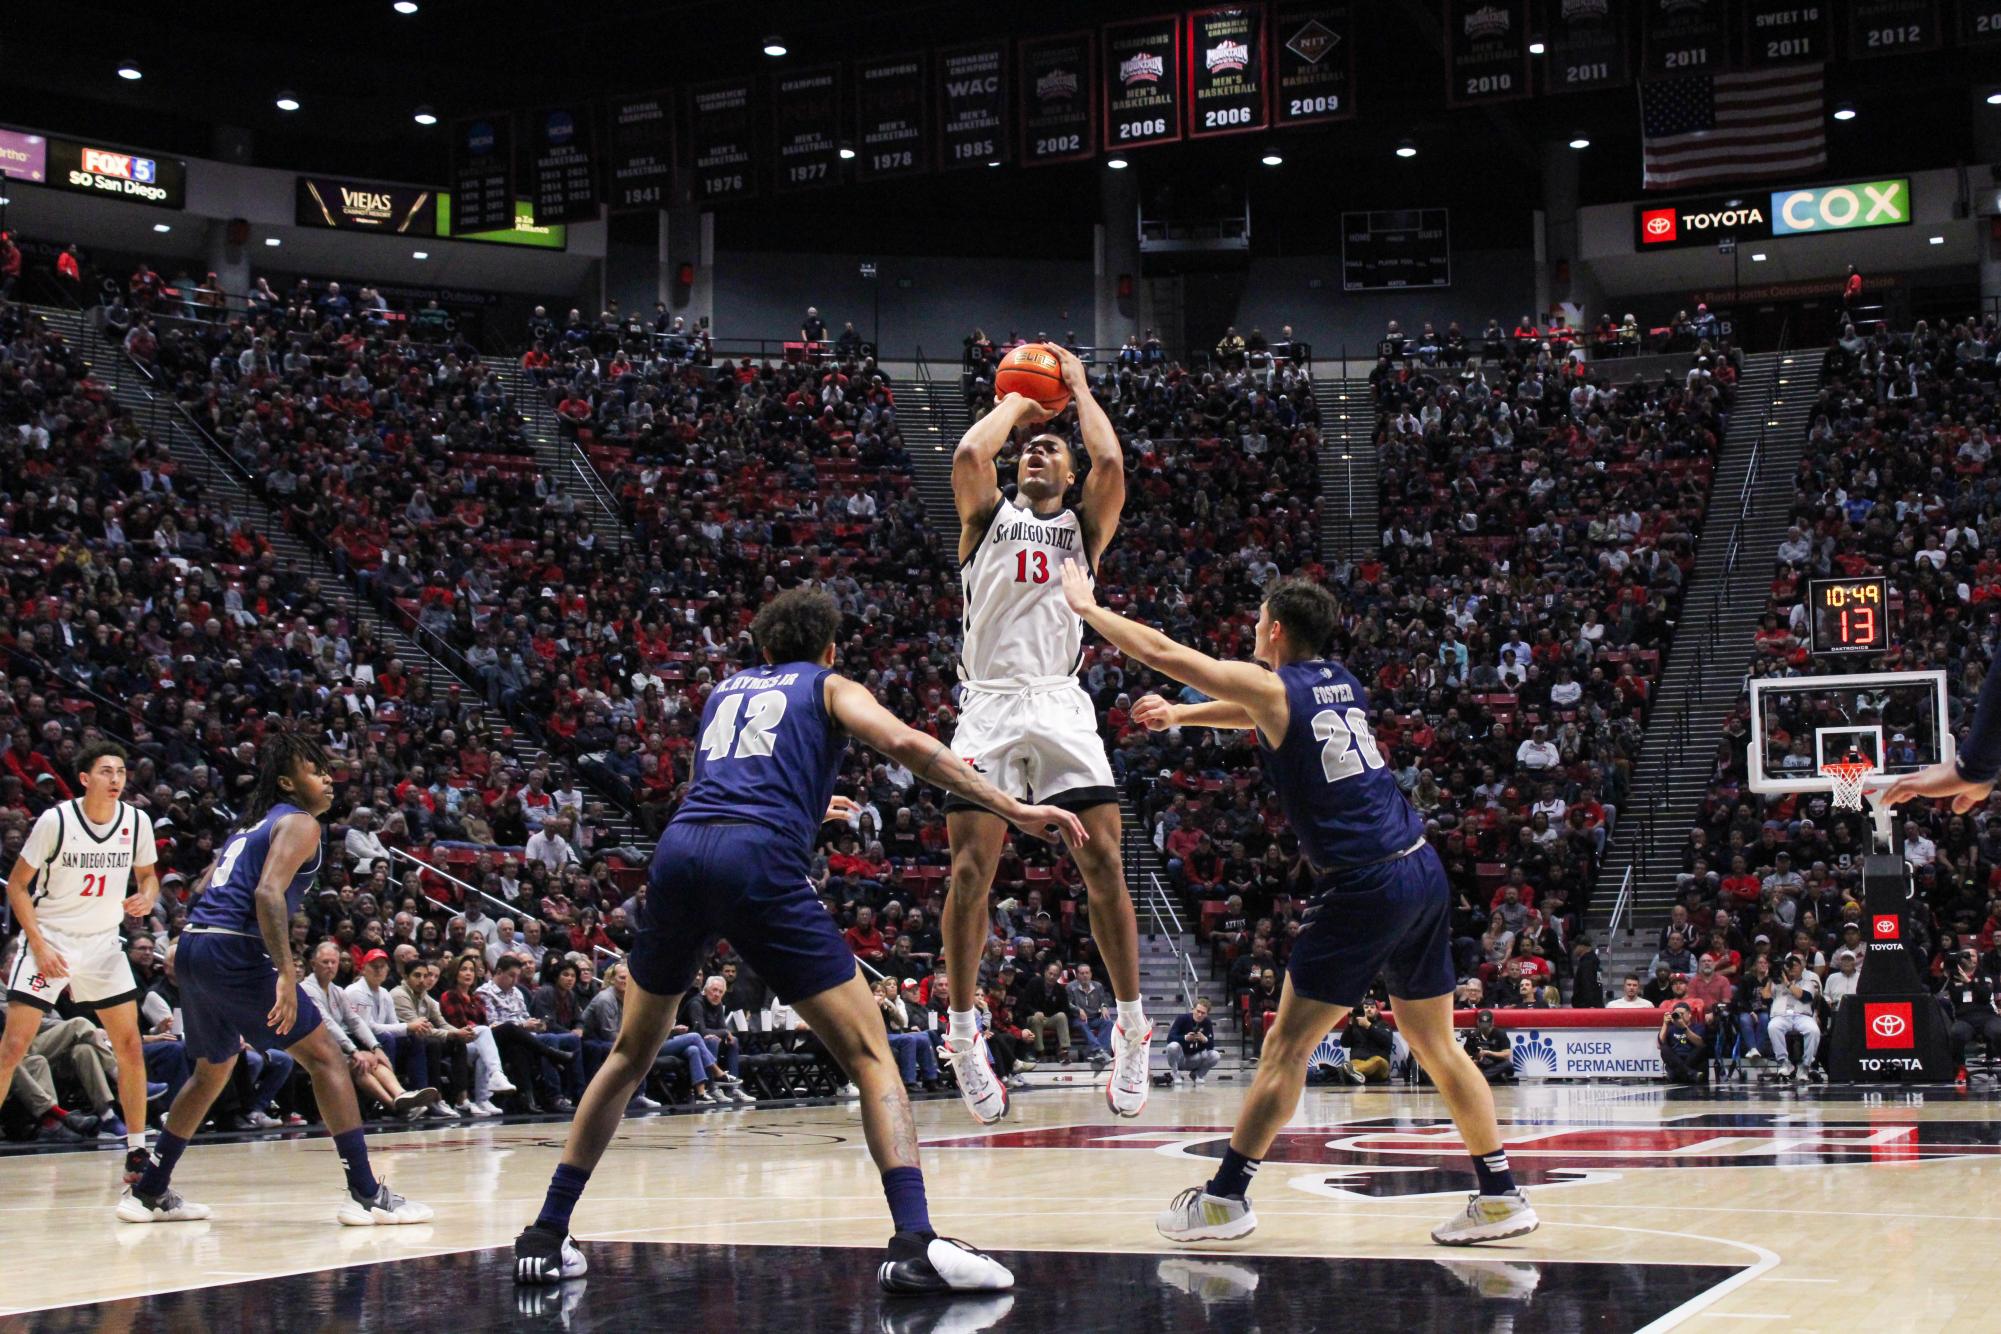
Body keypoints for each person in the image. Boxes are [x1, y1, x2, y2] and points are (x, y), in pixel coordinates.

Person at [514, 586, 1085, 1291]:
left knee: (631, 1052)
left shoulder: (724, 691)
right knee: (872, 1050)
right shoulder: (829, 683)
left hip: (680, 851)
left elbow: (727, 785)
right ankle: (914, 1240)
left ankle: (544, 1234)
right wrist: (1011, 807)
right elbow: (906, 744)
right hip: (755, 862)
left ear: (759, 648)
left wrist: (808, 809)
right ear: (829, 647)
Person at [1081, 572, 1537, 1247]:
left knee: (1285, 1046)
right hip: (1419, 867)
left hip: (1363, 884)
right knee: (1436, 1044)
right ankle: (1500, 1195)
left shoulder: (1273, 684)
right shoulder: (1337, 680)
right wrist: (1181, 716)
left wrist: (1089, 609)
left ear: (1273, 629)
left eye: (1255, 621)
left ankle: (1223, 1199)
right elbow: (1260, 711)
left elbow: (1172, 657)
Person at [941, 342, 1150, 1126]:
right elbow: (969, 451)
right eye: (1029, 449)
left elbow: (1113, 465)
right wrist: (1021, 406)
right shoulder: (985, 518)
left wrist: (1081, 390)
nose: (1035, 451)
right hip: (989, 703)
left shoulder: (1084, 532)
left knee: (1101, 863)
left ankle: (1132, 1030)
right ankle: (963, 1035)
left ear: (1067, 476)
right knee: (970, 873)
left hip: (1059, 702)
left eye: (1050, 450)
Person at [119, 732, 433, 1226]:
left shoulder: (251, 826)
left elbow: (202, 885)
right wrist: (287, 973)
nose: (328, 779)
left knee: (212, 1070)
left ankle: (149, 1191)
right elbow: (267, 894)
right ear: (288, 782)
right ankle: (367, 1194)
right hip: (233, 949)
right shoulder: (301, 822)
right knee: (326, 1057)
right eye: (315, 771)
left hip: (196, 943)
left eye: (328, 770)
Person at [0, 741, 162, 1162]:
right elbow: (18, 886)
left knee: (129, 1047)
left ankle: (138, 1150)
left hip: (103, 943)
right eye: (107, 771)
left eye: (122, 772)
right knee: (13, 1047)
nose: (116, 779)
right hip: (51, 938)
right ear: (85, 779)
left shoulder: (136, 822)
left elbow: (148, 877)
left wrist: (146, 896)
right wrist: (36, 943)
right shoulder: (56, 820)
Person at [1767, 954, 1822, 1082]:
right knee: (1773, 1026)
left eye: (1795, 965)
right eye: (1789, 965)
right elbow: (1765, 996)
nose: (1792, 968)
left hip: (1802, 1016)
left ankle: (1805, 1065)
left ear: (1802, 968)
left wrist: (1787, 983)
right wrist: (1771, 978)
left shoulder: (1808, 983)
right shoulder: (1776, 983)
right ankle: (1785, 1063)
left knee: (1813, 1030)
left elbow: (1804, 997)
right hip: (1781, 1016)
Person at [1163, 999, 1219, 1086]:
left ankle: (1198, 1075)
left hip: (1196, 1057)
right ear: (1193, 1009)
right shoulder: (1182, 1018)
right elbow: (1170, 1038)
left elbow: (1211, 1047)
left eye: (1203, 1013)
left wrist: (1205, 1039)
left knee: (1215, 1055)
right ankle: (1175, 1074)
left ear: (1207, 1014)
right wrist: (1185, 1038)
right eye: (1198, 1011)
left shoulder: (1207, 1022)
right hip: (1181, 1057)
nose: (1199, 1015)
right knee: (1172, 1046)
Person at [1339, 1000, 1394, 1084]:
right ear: (1362, 1009)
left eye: (1372, 1007)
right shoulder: (1355, 1025)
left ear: (1377, 1010)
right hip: (1358, 1061)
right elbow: (1344, 1043)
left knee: (1378, 1061)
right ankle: (1357, 1074)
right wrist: (1350, 1024)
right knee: (1354, 1062)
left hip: (1379, 1066)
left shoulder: (1383, 1024)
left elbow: (1387, 1042)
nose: (1369, 1009)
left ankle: (1353, 1072)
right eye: (1366, 1007)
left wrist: (1369, 1026)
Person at [1659, 1003, 1707, 1084]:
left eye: (1682, 1014)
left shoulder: (1698, 1027)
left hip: (1691, 1058)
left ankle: (1678, 1073)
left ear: (1689, 1015)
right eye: (1677, 1014)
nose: (1679, 1016)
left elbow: (1700, 1044)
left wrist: (1684, 1028)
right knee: (1664, 1049)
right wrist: (1665, 1024)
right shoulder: (1670, 1028)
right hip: (1676, 1057)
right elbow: (1660, 1044)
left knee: (1702, 1048)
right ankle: (1690, 1073)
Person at [1463, 1009, 1512, 1084]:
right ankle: (1494, 1077)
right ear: (1478, 1022)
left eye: (1487, 1025)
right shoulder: (1474, 1035)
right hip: (1481, 1064)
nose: (1485, 1028)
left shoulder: (1500, 1033)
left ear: (1492, 1023)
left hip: (1496, 1063)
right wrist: (1475, 1057)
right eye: (1482, 1024)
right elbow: (1465, 1053)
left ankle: (1481, 1078)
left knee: (1507, 1064)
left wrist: (1487, 1053)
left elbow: (1506, 1054)